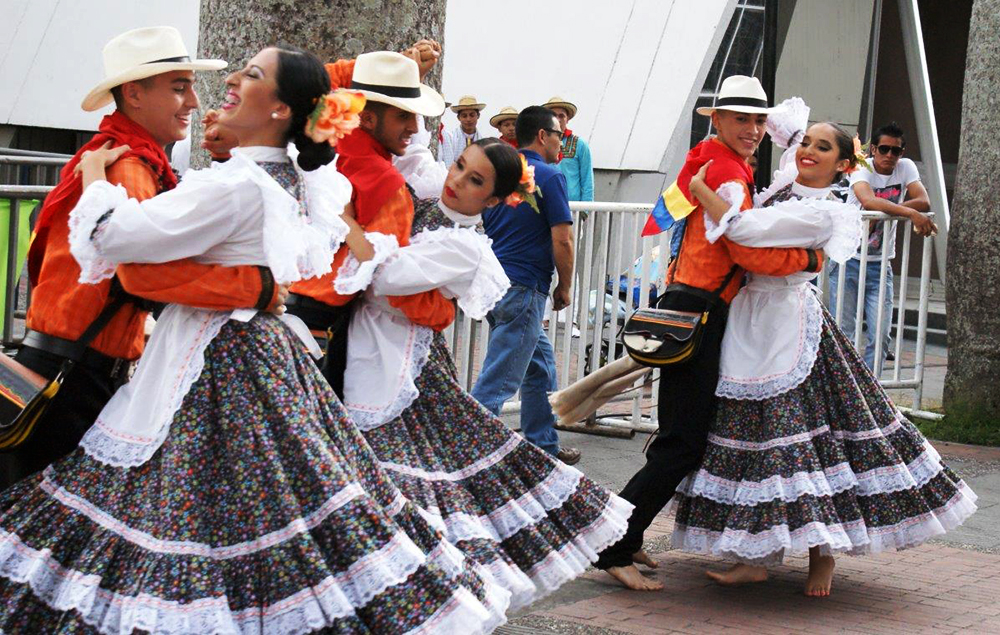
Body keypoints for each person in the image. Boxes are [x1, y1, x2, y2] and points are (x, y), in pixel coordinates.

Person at [0, 44, 511, 633]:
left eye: (252, 74)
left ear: (280, 109)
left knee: (180, 510)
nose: (230, 85)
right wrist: (257, 284)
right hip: (255, 353)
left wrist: (93, 181)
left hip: (214, 358)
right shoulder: (295, 177)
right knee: (243, 515)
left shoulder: (240, 182)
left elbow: (118, 241)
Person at [672, 119, 976, 597]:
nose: (809, 150)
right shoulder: (781, 191)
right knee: (756, 437)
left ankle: (823, 555)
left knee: (816, 441)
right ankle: (756, 556)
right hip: (750, 320)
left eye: (823, 146)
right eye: (806, 142)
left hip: (792, 328)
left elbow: (747, 231)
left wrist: (696, 186)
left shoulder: (827, 210)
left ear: (843, 163)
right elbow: (763, 169)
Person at [332, 137, 633, 609]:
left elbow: (386, 276)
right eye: (458, 167)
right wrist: (411, 75)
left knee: (415, 482)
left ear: (493, 200)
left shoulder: (466, 247)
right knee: (408, 479)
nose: (456, 181)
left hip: (401, 368)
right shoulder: (437, 196)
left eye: (475, 181)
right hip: (373, 354)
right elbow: (412, 154)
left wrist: (346, 222)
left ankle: (429, 596)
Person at [2, 27, 278, 491]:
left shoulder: (122, 158)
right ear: (133, 93)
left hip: (69, 365)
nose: (193, 100)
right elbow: (139, 274)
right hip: (74, 378)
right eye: (178, 87)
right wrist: (258, 288)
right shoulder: (130, 166)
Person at [592, 76, 826, 591]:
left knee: (675, 438)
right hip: (699, 311)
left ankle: (622, 539)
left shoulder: (707, 159)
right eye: (741, 119)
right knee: (682, 443)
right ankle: (613, 546)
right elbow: (743, 247)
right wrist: (810, 257)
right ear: (716, 118)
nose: (754, 130)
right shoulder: (726, 171)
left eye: (759, 120)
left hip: (687, 302)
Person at [287, 46, 457, 399]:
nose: (413, 127)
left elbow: (306, 78)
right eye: (403, 116)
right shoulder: (388, 184)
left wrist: (368, 73)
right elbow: (388, 276)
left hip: (282, 305)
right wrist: (442, 311)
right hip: (324, 325)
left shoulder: (322, 133)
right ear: (368, 118)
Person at [471, 106, 580, 465]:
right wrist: (565, 287)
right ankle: (463, 450)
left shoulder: (500, 171)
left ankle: (542, 445)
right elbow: (562, 240)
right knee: (498, 382)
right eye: (559, 134)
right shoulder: (549, 176)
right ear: (541, 136)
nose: (563, 140)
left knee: (540, 367)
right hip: (524, 287)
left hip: (495, 284)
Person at [830, 121, 936, 370]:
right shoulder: (861, 168)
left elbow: (923, 200)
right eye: (884, 149)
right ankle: (847, 389)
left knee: (881, 335)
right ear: (873, 150)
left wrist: (889, 211)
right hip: (849, 259)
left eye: (896, 151)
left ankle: (871, 389)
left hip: (881, 263)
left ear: (902, 153)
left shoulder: (905, 167)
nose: (890, 155)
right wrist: (909, 214)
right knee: (844, 331)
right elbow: (867, 200)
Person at [543, 97, 594, 202]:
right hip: (545, 205)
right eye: (553, 115)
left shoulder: (580, 145)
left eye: (561, 116)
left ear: (568, 119)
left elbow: (587, 180)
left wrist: (585, 210)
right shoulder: (540, 142)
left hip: (572, 207)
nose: (557, 119)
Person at [439, 95, 486, 166]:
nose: (468, 119)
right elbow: (448, 164)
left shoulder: (484, 143)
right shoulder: (450, 138)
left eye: (472, 115)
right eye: (464, 116)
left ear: (478, 116)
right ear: (458, 118)